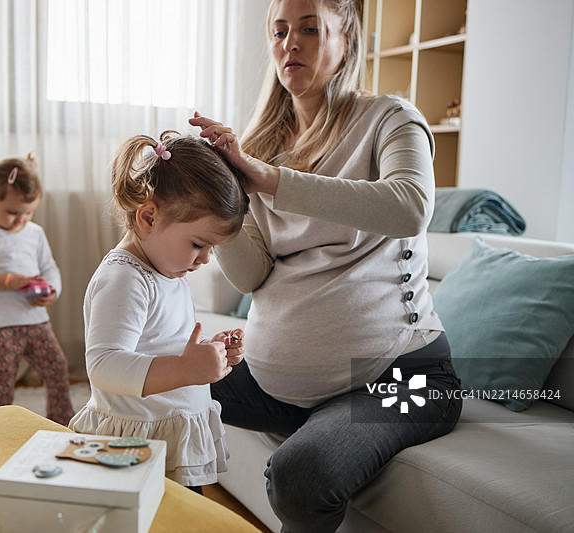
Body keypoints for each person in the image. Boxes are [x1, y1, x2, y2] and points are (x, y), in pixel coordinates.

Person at [188, 0, 463, 530]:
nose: (291, 43)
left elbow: (409, 205)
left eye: (310, 29)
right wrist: (216, 196)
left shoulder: (391, 118)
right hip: (282, 388)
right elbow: (249, 275)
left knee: (300, 474)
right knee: (163, 391)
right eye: (280, 30)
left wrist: (267, 180)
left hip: (407, 379)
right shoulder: (263, 148)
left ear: (346, 45)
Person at [68, 133, 247, 492]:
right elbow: (104, 365)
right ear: (148, 216)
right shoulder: (125, 278)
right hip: (136, 445)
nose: (205, 259)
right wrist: (185, 369)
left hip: (167, 434)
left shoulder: (168, 269)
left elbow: (163, 341)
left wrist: (207, 352)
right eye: (199, 244)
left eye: (211, 247)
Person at [0, 152, 74, 426]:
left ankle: (61, 423)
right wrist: (9, 280)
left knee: (57, 369)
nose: (21, 220)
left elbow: (50, 269)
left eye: (29, 212)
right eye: (12, 212)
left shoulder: (35, 233)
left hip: (36, 323)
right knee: (1, 386)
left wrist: (52, 291)